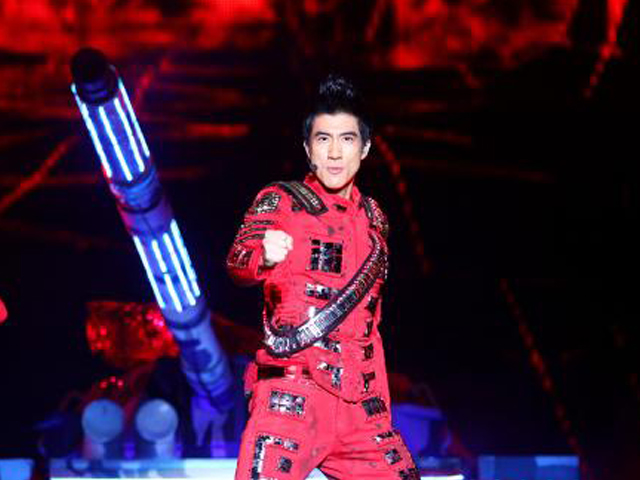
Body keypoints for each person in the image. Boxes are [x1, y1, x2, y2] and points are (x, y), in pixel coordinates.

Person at [227, 75, 419, 480]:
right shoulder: (281, 200)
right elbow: (238, 261)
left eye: (346, 139)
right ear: (307, 148)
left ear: (364, 148)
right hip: (291, 397)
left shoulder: (375, 220)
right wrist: (263, 254)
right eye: (323, 139)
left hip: (361, 410)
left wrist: (380, 406)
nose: (334, 152)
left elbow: (371, 326)